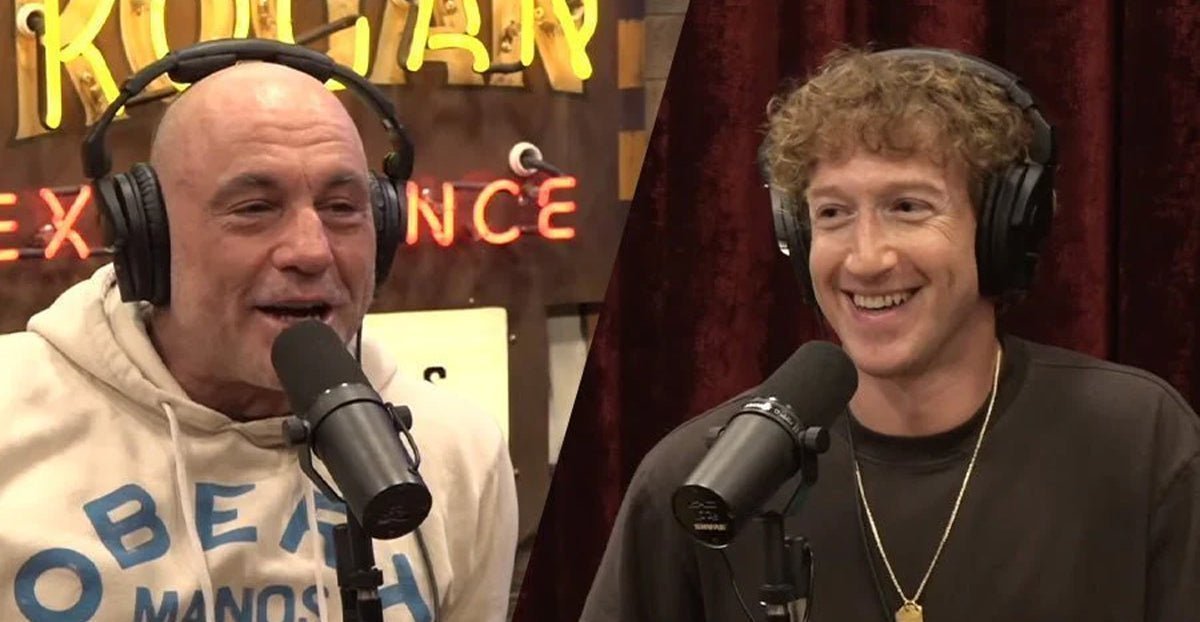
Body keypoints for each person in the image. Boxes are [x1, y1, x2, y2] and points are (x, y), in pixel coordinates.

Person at [580, 46, 1200, 621]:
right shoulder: (700, 480)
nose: (867, 258)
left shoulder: (1138, 439)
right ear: (798, 242)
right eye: (833, 214)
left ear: (1003, 231)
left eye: (908, 206)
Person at [0, 52, 518, 621]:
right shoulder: (13, 418)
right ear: (149, 239)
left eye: (342, 208)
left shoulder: (458, 454)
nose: (311, 250)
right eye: (254, 208)